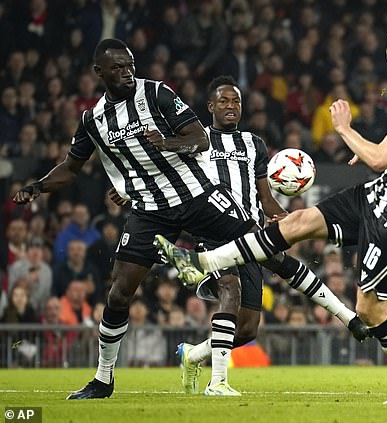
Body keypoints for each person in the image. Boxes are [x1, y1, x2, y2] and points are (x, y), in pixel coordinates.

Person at [156, 26, 387, 403]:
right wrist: (371, 152)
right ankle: (201, 261)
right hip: (378, 195)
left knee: (369, 309)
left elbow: (383, 156)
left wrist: (346, 131)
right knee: (296, 223)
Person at [12, 38, 256, 400]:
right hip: (149, 211)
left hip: (195, 197)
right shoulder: (93, 119)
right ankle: (103, 378)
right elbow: (72, 167)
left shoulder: (156, 94)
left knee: (259, 241)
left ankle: (325, 298)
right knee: (120, 291)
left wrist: (167, 143)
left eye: (130, 65)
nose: (127, 72)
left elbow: (199, 138)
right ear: (99, 73)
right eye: (118, 67)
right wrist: (37, 187)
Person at [112, 75, 367, 395]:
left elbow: (265, 195)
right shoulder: (196, 139)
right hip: (213, 232)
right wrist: (131, 190)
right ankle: (218, 383)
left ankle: (193, 355)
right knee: (232, 286)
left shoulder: (254, 144)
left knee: (246, 330)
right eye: (223, 102)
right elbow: (159, 175)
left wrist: (289, 219)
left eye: (235, 101)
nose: (231, 106)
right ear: (210, 107)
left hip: (248, 233)